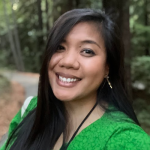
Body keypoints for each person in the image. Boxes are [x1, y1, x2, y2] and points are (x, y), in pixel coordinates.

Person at [1, 8, 150, 150]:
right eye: (59, 47)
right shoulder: (31, 111)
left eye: (87, 51)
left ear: (107, 67)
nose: (67, 61)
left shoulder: (126, 140)